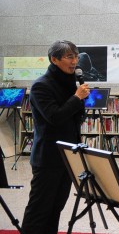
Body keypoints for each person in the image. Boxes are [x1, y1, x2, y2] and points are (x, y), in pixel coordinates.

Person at [21, 40, 90, 234]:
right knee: (39, 210)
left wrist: (79, 101)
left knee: (55, 209)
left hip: (68, 156)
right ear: (54, 59)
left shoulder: (69, 84)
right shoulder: (41, 86)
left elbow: (75, 118)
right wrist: (76, 98)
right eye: (69, 57)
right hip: (48, 158)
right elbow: (54, 117)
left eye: (76, 57)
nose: (74, 61)